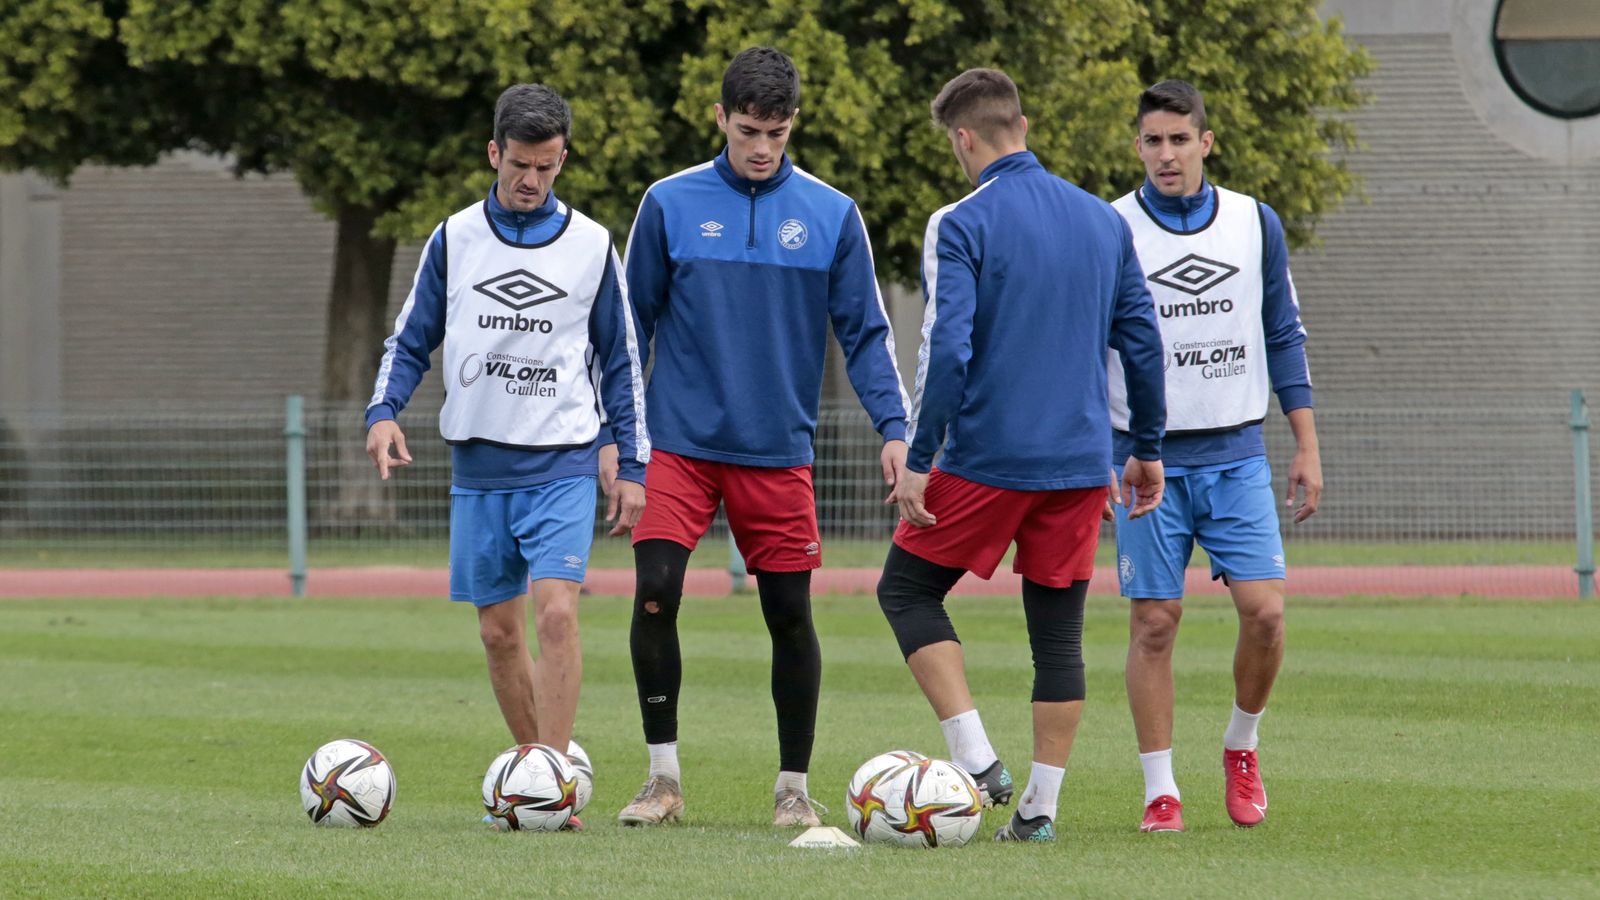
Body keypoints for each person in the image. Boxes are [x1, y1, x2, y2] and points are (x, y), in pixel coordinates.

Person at [617, 46, 910, 828]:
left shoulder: (832, 214)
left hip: (778, 450)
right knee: (656, 591)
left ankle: (792, 789)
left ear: (793, 125)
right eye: (748, 130)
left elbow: (867, 334)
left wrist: (895, 428)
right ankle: (662, 781)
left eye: (776, 133)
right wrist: (618, 437)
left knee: (788, 613)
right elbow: (626, 329)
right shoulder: (668, 203)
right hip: (677, 444)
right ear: (720, 117)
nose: (761, 147)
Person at [876, 67, 1167, 844]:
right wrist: (1146, 448)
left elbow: (949, 351)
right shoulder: (1103, 221)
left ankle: (975, 761)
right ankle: (1039, 811)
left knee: (906, 590)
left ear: (962, 139)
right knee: (1058, 636)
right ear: (1024, 126)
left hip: (988, 458)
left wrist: (921, 457)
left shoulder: (962, 222)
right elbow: (1142, 343)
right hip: (1080, 463)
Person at [363, 84, 648, 829]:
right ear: (495, 153)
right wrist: (383, 412)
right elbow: (410, 337)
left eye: (546, 167)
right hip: (479, 470)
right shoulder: (453, 238)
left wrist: (632, 464)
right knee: (498, 634)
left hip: (562, 463)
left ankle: (550, 789)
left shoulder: (592, 245)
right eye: (520, 164)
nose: (531, 180)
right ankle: (532, 776)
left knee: (555, 615)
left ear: (562, 161)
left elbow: (622, 362)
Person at [1107, 79, 1323, 833]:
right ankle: (1160, 791)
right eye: (1153, 141)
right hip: (1144, 464)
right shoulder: (1111, 228)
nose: (1166, 154)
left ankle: (1241, 745)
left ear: (1206, 142)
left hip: (1237, 455)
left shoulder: (1253, 222)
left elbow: (1283, 334)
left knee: (1266, 615)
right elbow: (1085, 350)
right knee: (1154, 623)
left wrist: (1305, 443)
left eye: (1179, 139)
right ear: (1138, 147)